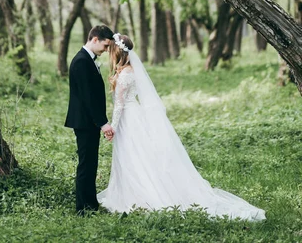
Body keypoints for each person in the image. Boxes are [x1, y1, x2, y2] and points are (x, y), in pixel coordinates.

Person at [97, 33, 266, 221]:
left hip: (128, 118)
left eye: (111, 51)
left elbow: (119, 104)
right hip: (133, 116)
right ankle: (132, 192)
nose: (109, 55)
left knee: (133, 155)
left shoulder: (125, 74)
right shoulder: (130, 70)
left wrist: (112, 127)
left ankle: (140, 196)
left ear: (117, 52)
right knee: (136, 155)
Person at [65, 24, 115, 215]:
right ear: (95, 40)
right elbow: (88, 97)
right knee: (86, 164)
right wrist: (103, 123)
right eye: (105, 46)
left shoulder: (87, 59)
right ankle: (83, 208)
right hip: (85, 122)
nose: (105, 50)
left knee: (91, 163)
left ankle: (90, 203)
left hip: (88, 122)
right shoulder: (81, 61)